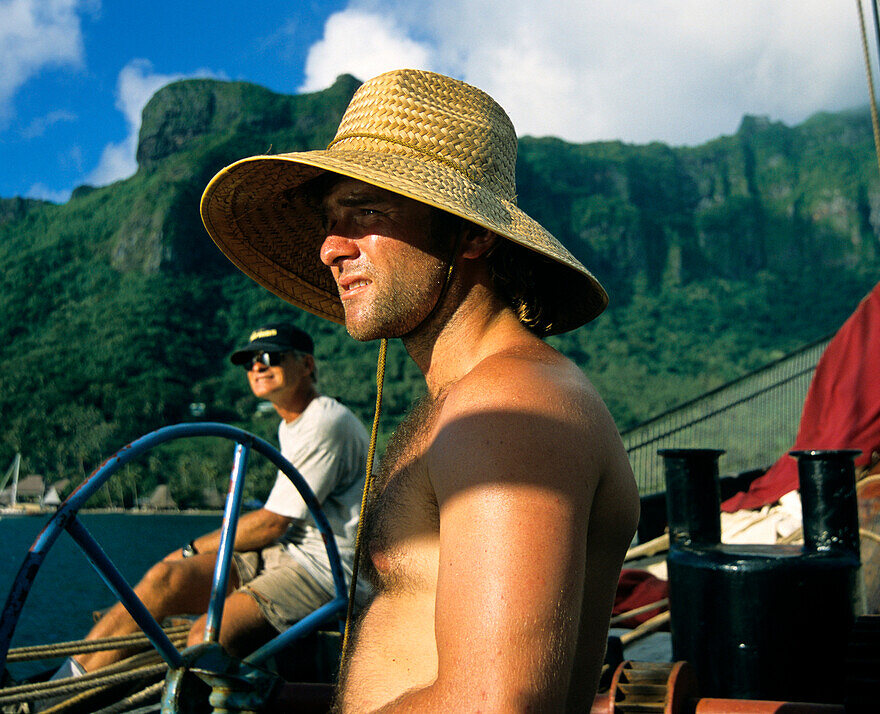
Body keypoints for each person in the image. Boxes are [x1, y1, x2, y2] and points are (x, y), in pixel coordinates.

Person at [201, 69, 640, 712]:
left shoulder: (511, 408)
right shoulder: (466, 403)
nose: (329, 248)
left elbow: (492, 704)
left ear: (471, 234)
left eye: (368, 212)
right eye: (330, 220)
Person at [71, 323, 372, 673]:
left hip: (325, 569)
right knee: (163, 579)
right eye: (250, 362)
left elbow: (272, 522)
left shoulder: (325, 421)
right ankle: (57, 693)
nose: (257, 367)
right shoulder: (292, 424)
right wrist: (183, 558)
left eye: (270, 357)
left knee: (204, 640)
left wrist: (192, 549)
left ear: (306, 365)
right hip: (284, 552)